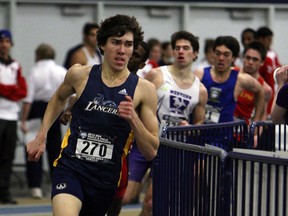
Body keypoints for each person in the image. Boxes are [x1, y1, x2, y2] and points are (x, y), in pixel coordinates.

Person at [26, 14, 159, 216]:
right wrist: (41, 135)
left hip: (105, 178)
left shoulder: (144, 90)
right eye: (116, 42)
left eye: (128, 44)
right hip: (71, 168)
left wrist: (133, 119)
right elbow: (58, 98)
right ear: (103, 44)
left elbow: (151, 150)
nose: (122, 50)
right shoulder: (80, 74)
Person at [124, 30, 208, 216]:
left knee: (151, 202)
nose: (180, 51)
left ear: (195, 53)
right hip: (144, 141)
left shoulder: (200, 90)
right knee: (125, 196)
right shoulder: (157, 75)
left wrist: (191, 128)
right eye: (177, 48)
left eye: (186, 48)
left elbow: (200, 122)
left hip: (171, 149)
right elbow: (135, 98)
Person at [106, 41, 150, 216]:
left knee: (119, 200)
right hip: (94, 151)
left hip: (124, 153)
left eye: (136, 56)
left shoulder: (143, 89)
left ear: (141, 65)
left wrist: (134, 117)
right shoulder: (104, 76)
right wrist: (70, 110)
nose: (129, 56)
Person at [20, 44, 67, 199]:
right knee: (55, 150)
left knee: (34, 148)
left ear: (38, 55)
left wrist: (23, 119)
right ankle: (57, 184)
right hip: (56, 110)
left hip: (37, 109)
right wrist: (67, 112)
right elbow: (71, 95)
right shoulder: (61, 71)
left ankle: (35, 187)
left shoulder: (34, 71)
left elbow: (28, 99)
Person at [194, 35, 265, 124]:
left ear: (233, 58)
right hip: (200, 133)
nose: (221, 58)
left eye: (226, 55)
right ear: (213, 54)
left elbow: (261, 91)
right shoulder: (200, 74)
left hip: (225, 135)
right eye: (218, 53)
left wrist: (256, 121)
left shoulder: (240, 79)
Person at [0, 29, 27, 204]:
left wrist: (6, 90)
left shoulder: (15, 65)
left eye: (7, 41)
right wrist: (11, 90)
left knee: (7, 156)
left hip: (11, 116)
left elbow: (23, 91)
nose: (4, 44)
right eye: (1, 41)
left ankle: (4, 191)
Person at [234, 41, 272, 125]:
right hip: (223, 126)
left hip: (244, 130)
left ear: (262, 62)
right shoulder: (231, 74)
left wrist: (255, 136)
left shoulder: (265, 89)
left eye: (255, 59)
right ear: (243, 58)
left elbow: (262, 118)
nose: (250, 62)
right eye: (248, 58)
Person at [256, 26, 282, 116]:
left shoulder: (273, 54)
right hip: (266, 93)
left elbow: (279, 67)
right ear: (261, 39)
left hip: (274, 91)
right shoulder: (261, 58)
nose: (270, 42)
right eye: (269, 39)